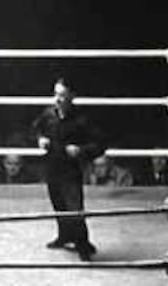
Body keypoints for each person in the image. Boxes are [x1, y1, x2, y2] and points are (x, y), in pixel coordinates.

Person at [30, 78, 105, 261]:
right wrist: (40, 139)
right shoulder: (48, 114)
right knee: (58, 204)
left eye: (62, 95)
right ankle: (64, 236)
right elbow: (34, 129)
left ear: (72, 96)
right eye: (56, 94)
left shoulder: (82, 120)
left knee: (74, 208)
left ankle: (83, 244)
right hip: (52, 166)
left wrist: (81, 151)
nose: (57, 99)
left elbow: (100, 144)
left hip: (71, 170)